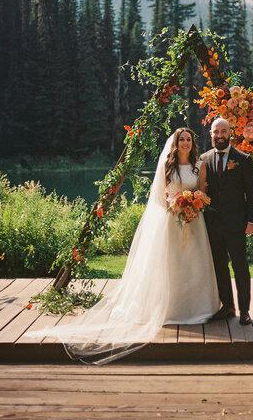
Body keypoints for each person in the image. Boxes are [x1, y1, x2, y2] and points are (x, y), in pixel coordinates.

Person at [25, 127, 219, 364]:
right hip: (171, 221)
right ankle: (170, 310)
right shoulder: (167, 167)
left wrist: (194, 204)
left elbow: (202, 190)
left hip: (194, 223)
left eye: (188, 139)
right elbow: (159, 196)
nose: (185, 143)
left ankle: (196, 310)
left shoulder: (200, 165)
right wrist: (176, 205)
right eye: (182, 140)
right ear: (175, 144)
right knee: (170, 264)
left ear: (192, 143)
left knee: (194, 265)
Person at [201, 118, 253, 325]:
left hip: (237, 224)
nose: (220, 135)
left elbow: (251, 194)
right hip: (212, 225)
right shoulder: (203, 159)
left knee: (240, 267)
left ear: (230, 133)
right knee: (219, 267)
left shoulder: (243, 160)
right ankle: (228, 306)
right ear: (211, 134)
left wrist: (251, 221)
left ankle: (245, 311)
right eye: (216, 132)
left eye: (224, 131)